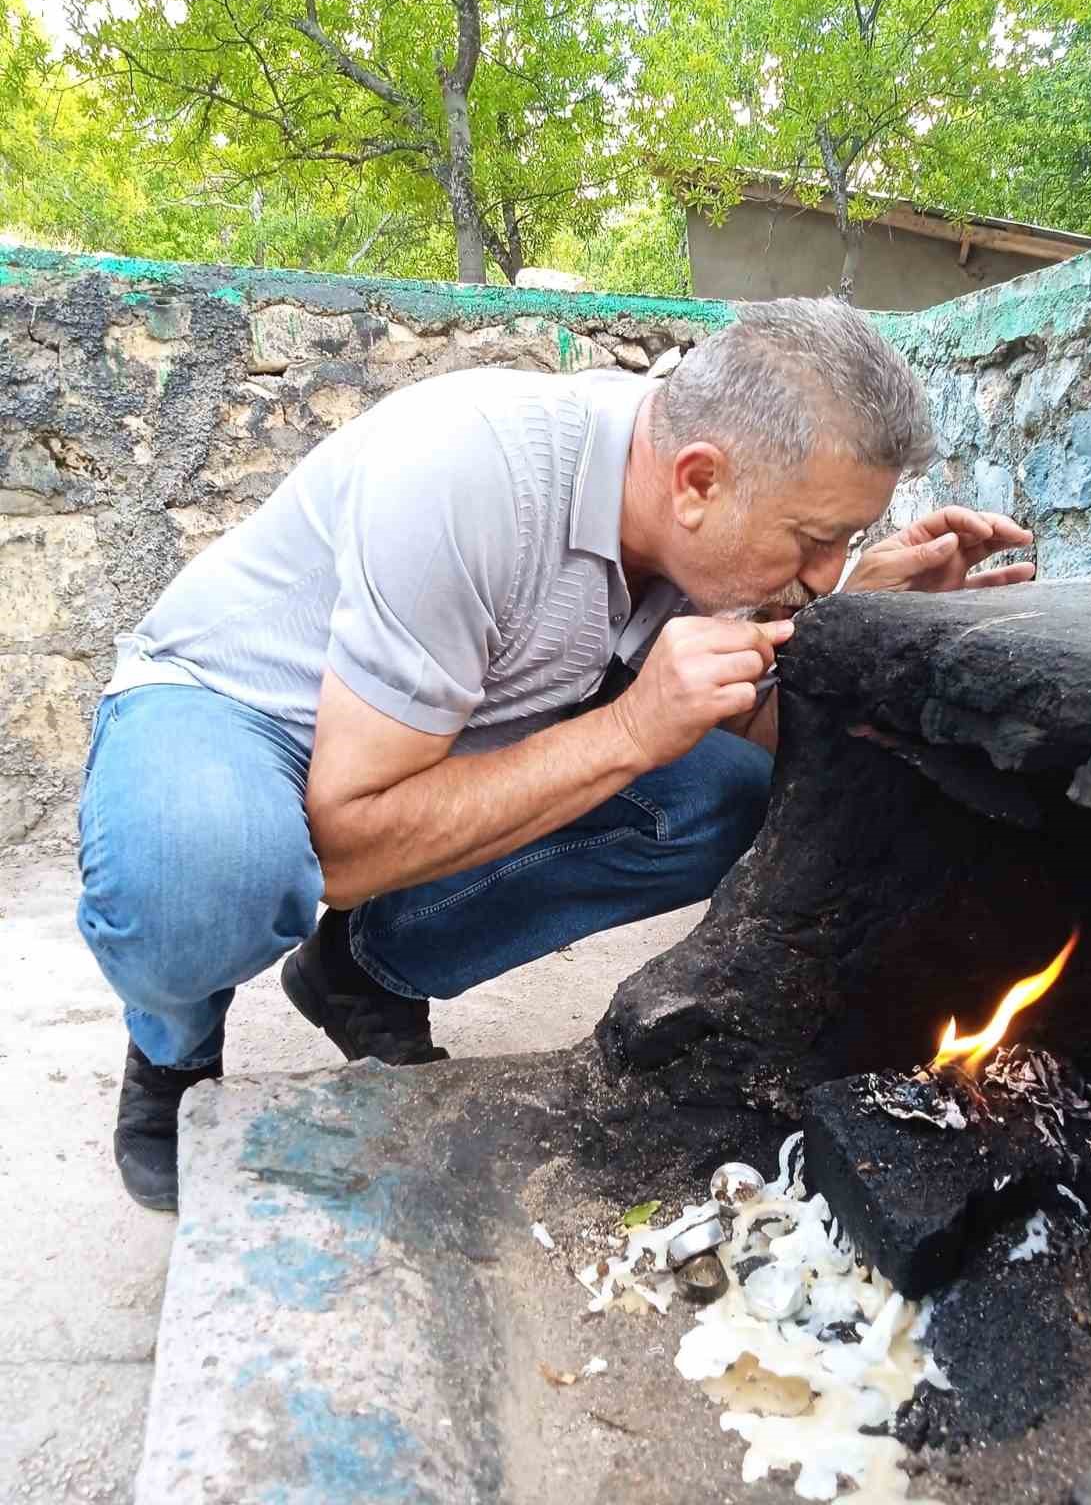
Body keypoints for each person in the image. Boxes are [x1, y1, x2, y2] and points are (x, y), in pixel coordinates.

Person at [75, 297, 1034, 1211]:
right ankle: (175, 1043)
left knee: (724, 798)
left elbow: (760, 735)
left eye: (849, 540)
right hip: (237, 706)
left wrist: (864, 624)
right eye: (815, 540)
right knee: (202, 876)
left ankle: (364, 971)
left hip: (439, 734)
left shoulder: (702, 524)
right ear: (698, 481)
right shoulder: (469, 473)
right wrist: (625, 731)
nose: (823, 572)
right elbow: (348, 847)